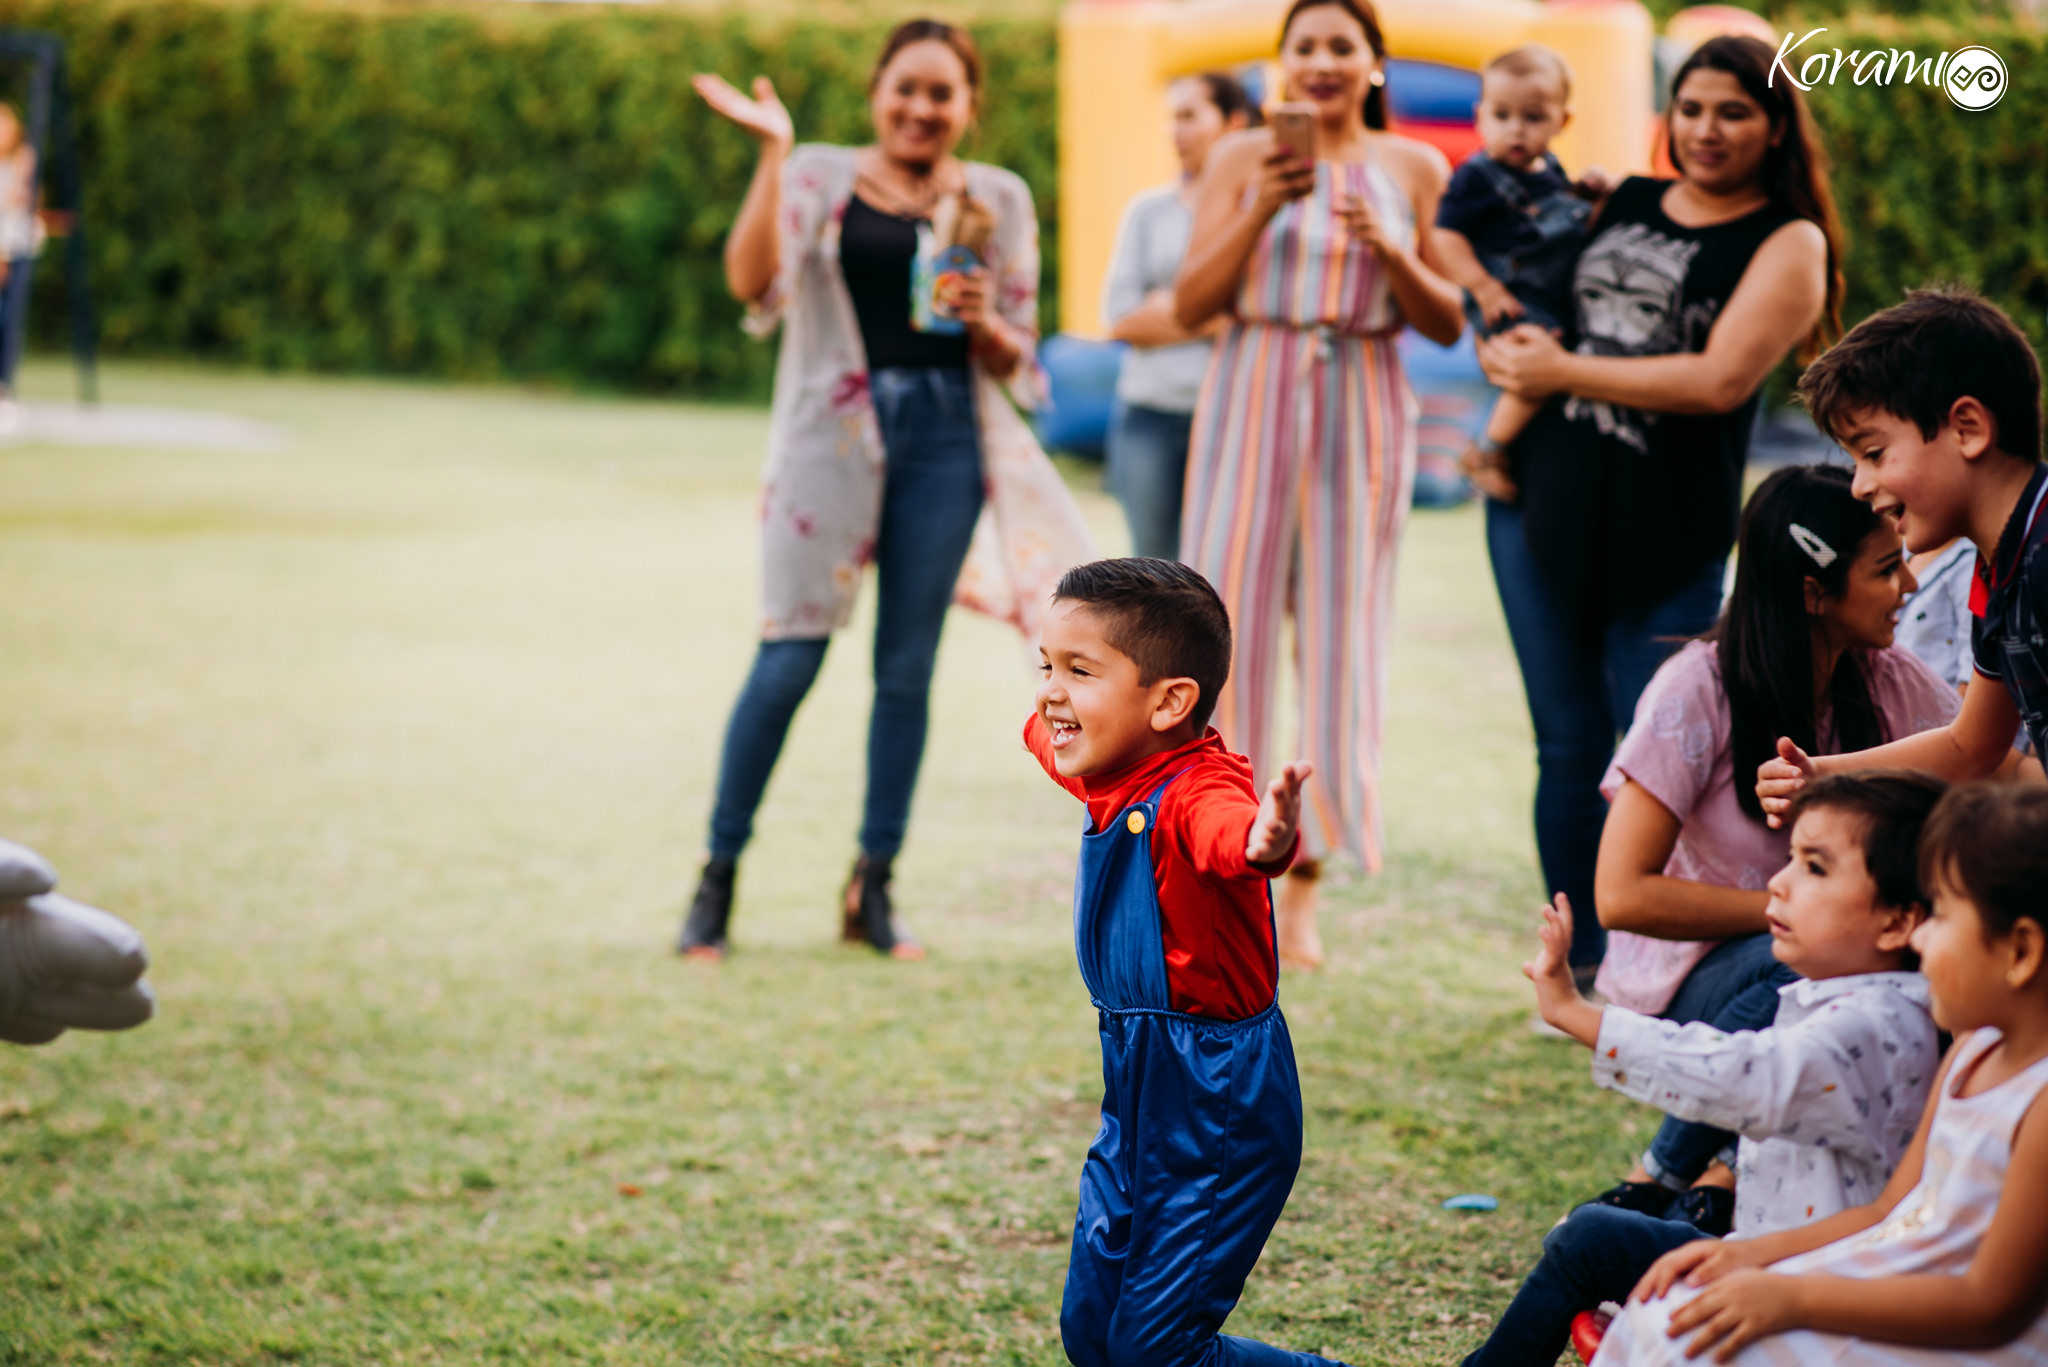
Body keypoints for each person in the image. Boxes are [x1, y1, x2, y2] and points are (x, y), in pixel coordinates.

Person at [680, 20, 1092, 961]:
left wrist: (984, 322)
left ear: (969, 106)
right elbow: (753, 284)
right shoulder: (817, 175)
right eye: (906, 88)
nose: (921, 108)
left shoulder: (997, 197)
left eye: (943, 93)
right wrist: (773, 155)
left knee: (906, 671)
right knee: (789, 655)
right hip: (829, 437)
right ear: (877, 92)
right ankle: (717, 876)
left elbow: (1022, 357)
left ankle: (875, 885)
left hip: (946, 437)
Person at [1476, 34, 1845, 988]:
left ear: (1775, 127)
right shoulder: (1623, 200)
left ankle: (1675, 972)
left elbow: (1719, 379)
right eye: (1691, 109)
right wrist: (1504, 344)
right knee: (1565, 745)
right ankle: (1585, 967)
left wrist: (1559, 369)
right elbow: (1526, 283)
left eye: (1734, 112)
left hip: (1669, 532)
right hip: (1538, 507)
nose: (1707, 129)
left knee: (1664, 761)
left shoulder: (1788, 239)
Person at [1461, 771, 1945, 1367]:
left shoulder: (1878, 1026)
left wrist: (1576, 1015)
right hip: (1766, 1257)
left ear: (1897, 922)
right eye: (1790, 859)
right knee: (1592, 1236)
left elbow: (1739, 1075)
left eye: (1815, 868)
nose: (1778, 883)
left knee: (1595, 1244)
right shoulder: (1840, 1001)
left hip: (1817, 1305)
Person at [1174, 0, 1464, 968]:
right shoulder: (1237, 158)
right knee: (1223, 629)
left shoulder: (1413, 168)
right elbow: (1191, 302)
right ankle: (1221, 855)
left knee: (1344, 641)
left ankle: (1305, 878)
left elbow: (1445, 321)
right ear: (1283, 63)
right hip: (1250, 385)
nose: (1323, 62)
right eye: (1306, 46)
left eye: (1343, 46)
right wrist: (1260, 204)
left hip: (1362, 395)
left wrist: (1390, 247)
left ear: (1374, 64)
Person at [1587, 466, 1958, 1216]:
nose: (1910, 585)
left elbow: (1981, 772)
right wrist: (1803, 915)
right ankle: (1658, 1177)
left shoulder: (1891, 680)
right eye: (1885, 568)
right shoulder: (1697, 687)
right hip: (1703, 977)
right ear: (1813, 592)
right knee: (1796, 963)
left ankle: (1726, 1183)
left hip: (1835, 961)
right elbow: (1620, 895)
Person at [1595, 783, 2048, 1367]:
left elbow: (1988, 1308)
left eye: (1940, 914)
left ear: (2020, 952)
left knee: (1699, 1345)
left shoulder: (2038, 1103)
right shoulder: (1972, 1052)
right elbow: (1888, 1211)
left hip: (1967, 1338)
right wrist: (1749, 1254)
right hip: (1898, 1277)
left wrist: (1794, 1298)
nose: (1919, 935)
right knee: (1669, 1315)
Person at [1025, 558, 1345, 1367]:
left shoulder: (1200, 790)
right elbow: (1046, 731)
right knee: (1092, 1332)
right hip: (1135, 1088)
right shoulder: (1109, 764)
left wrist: (1267, 839)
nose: (1050, 692)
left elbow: (1231, 837)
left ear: (1170, 703)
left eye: (1079, 671)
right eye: (1045, 666)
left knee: (1155, 1352)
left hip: (1219, 1095)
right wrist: (1067, 677)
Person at [1760, 287, 2048, 823]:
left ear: (1968, 430)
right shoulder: (1997, 570)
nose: (1858, 486)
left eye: (1874, 453)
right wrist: (1820, 774)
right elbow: (1971, 746)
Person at [1430, 45, 1604, 503]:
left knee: (1544, 369)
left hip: (1546, 296)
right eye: (1502, 115)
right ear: (1480, 117)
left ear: (1562, 121)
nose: (1516, 130)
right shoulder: (1476, 177)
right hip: (1507, 297)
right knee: (1533, 372)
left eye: (1533, 117)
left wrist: (1586, 193)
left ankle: (1500, 445)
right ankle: (1486, 449)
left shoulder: (1552, 170)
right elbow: (1446, 236)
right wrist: (1483, 288)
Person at [1101, 72, 1256, 560]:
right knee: (1152, 570)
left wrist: (1166, 306)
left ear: (1233, 124)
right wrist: (1217, 313)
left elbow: (1261, 313)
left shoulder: (1258, 212)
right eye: (1173, 118)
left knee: (1224, 567)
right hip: (1147, 415)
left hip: (1233, 418)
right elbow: (1122, 320)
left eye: (1190, 116)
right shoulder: (1148, 210)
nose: (1176, 131)